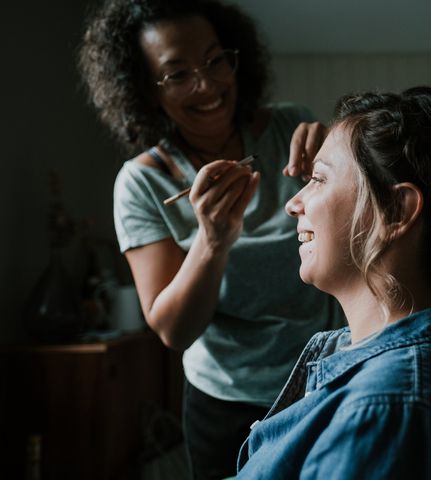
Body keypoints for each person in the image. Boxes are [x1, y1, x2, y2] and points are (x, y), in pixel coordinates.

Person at [77, 0, 342, 478]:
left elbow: (351, 247)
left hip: (322, 381)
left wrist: (339, 166)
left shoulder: (291, 128)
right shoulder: (141, 184)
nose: (208, 84)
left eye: (215, 59)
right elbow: (173, 329)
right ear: (144, 90)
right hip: (225, 405)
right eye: (177, 74)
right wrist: (213, 240)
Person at [236, 86, 431, 479]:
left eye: (317, 178)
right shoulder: (358, 363)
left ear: (396, 211)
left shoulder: (388, 413)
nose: (293, 203)